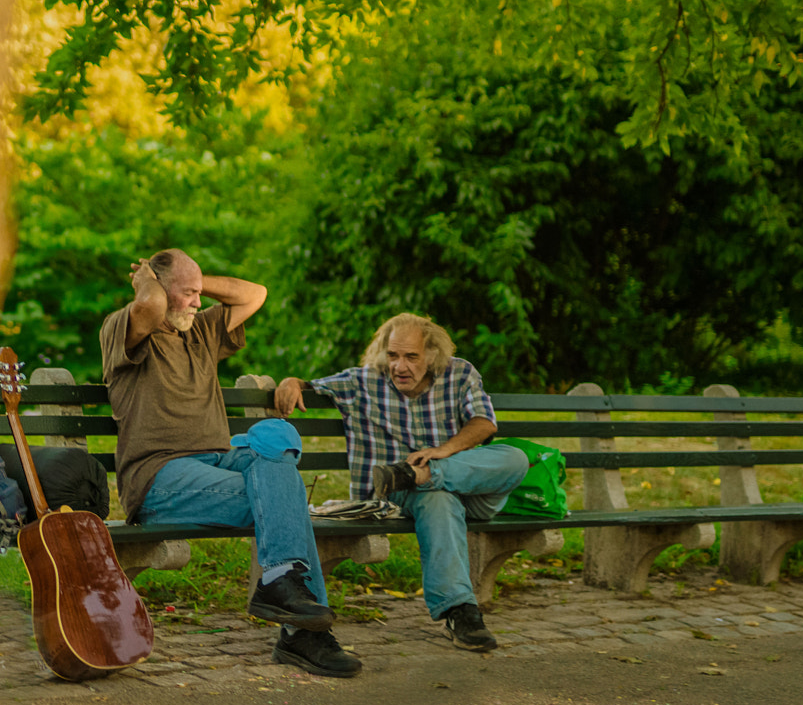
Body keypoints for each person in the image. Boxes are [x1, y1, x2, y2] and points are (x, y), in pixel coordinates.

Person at [99, 249, 361, 678]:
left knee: (278, 459)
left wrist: (194, 281)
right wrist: (147, 278)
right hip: (160, 475)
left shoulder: (200, 332)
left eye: (200, 294)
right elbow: (148, 306)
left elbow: (254, 294)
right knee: (282, 497)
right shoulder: (125, 329)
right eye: (188, 294)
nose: (198, 303)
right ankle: (303, 636)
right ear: (159, 289)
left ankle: (280, 581)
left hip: (219, 460)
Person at [274, 313, 528, 652]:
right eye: (393, 355)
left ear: (432, 356)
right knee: (437, 499)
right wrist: (292, 382)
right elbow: (311, 384)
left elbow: (484, 424)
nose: (399, 366)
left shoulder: (461, 373)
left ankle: (425, 474)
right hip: (401, 495)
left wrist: (440, 454)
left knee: (516, 459)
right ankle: (460, 610)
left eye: (411, 356)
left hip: (466, 485)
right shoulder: (363, 382)